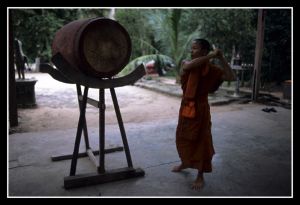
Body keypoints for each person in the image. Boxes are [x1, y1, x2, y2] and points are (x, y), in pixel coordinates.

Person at [172, 39, 235, 190]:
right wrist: (211, 56)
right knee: (183, 137)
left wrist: (221, 58)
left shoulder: (211, 70)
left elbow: (231, 77)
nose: (191, 51)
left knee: (202, 141)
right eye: (191, 48)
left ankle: (200, 175)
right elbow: (188, 66)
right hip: (186, 107)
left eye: (195, 49)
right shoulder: (187, 63)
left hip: (201, 109)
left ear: (204, 51)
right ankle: (185, 162)